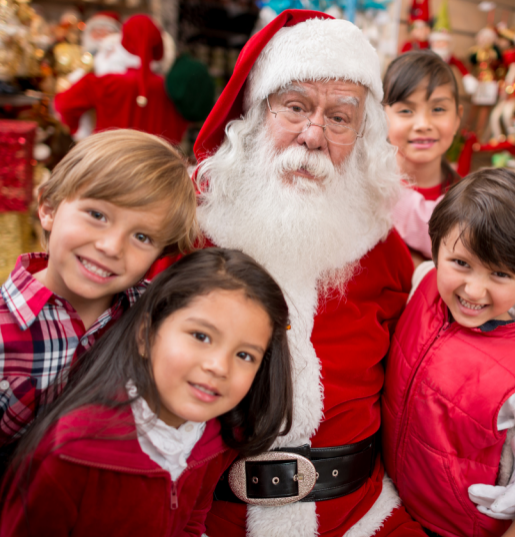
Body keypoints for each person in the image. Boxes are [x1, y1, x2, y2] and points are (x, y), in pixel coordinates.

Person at [183, 10, 423, 537]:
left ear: (361, 135)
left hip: (362, 517)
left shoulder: (383, 249)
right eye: (294, 107)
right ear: (255, 113)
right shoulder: (192, 235)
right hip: (212, 521)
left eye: (339, 118)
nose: (313, 135)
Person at [0, 248, 294, 535]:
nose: (219, 367)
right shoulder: (69, 455)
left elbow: (192, 521)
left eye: (245, 355)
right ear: (145, 334)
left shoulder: (216, 439)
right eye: (201, 336)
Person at [382, 169, 515, 537]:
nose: (474, 290)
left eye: (500, 274)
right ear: (437, 246)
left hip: (456, 528)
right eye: (461, 263)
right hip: (390, 503)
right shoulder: (424, 281)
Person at [0, 129, 197, 473]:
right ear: (48, 207)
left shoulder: (157, 319)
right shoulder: (5, 332)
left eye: (141, 237)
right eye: (97, 215)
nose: (111, 246)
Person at [54, 15, 189, 144]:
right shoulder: (172, 85)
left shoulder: (103, 82)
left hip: (110, 161)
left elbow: (63, 105)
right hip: (156, 163)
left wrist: (82, 134)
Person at [384, 50, 463, 265]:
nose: (422, 124)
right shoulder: (366, 190)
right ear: (382, 117)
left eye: (438, 109)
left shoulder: (469, 201)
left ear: (457, 117)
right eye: (406, 111)